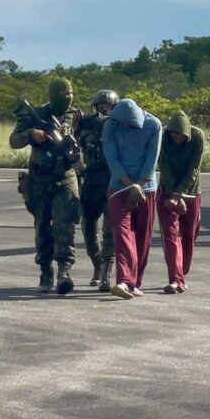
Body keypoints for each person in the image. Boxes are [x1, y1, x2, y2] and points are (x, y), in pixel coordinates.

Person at [9, 77, 83, 295]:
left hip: (66, 177)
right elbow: (14, 140)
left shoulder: (76, 116)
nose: (68, 98)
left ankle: (64, 272)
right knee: (42, 226)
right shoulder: (36, 115)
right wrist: (31, 135)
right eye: (63, 94)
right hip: (40, 179)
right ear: (53, 95)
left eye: (70, 94)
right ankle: (45, 271)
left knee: (65, 226)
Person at [102, 98, 162, 299]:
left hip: (147, 186)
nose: (125, 126)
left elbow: (151, 160)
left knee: (143, 236)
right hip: (119, 186)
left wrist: (140, 185)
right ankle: (124, 281)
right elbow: (112, 158)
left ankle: (135, 283)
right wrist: (129, 185)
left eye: (129, 124)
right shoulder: (110, 125)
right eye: (122, 122)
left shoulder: (154, 125)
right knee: (122, 233)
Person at [76, 89, 119, 291]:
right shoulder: (85, 123)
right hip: (90, 180)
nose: (104, 108)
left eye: (108, 106)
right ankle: (96, 265)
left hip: (111, 182)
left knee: (109, 230)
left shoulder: (119, 125)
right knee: (88, 227)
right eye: (101, 105)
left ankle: (106, 273)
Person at [157, 111, 204, 294]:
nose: (176, 137)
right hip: (167, 193)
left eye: (180, 135)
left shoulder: (197, 136)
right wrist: (173, 195)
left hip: (191, 192)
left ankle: (181, 273)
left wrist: (181, 193)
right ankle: (175, 279)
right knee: (170, 236)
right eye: (173, 134)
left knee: (189, 235)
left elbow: (194, 167)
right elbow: (164, 167)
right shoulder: (163, 138)